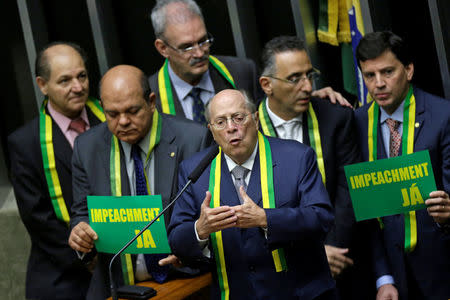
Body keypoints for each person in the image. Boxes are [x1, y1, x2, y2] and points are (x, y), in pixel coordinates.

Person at [168, 89, 337, 299]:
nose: (231, 128)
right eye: (220, 122)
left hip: (300, 293)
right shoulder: (195, 171)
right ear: (211, 131)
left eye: (239, 118)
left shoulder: (297, 157)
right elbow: (177, 238)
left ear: (255, 119)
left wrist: (266, 219)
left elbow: (321, 218)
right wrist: (200, 229)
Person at [68, 65, 212, 300]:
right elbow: (81, 213)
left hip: (185, 279)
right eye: (112, 114)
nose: (123, 121)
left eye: (132, 111)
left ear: (152, 102)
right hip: (117, 286)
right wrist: (79, 232)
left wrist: (188, 249)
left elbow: (209, 213)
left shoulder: (193, 140)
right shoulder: (87, 147)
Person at [258, 35, 372, 299]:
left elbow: (349, 192)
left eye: (310, 75)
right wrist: (311, 256)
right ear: (267, 85)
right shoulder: (248, 127)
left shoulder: (336, 117)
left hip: (340, 262)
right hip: (277, 270)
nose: (307, 86)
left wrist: (329, 248)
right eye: (295, 78)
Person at [354, 31, 450, 300]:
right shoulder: (358, 122)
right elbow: (368, 214)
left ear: (408, 70)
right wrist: (383, 277)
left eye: (387, 72)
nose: (379, 84)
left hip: (441, 270)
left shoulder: (442, 117)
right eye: (369, 75)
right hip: (393, 278)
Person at [7, 42, 104, 300]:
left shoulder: (113, 117)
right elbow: (39, 219)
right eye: (65, 80)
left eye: (82, 76)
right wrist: (88, 258)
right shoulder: (25, 143)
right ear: (42, 85)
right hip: (64, 273)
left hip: (126, 259)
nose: (78, 87)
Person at [149, 0, 348, 124]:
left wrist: (310, 98)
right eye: (187, 47)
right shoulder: (151, 96)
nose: (200, 52)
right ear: (162, 48)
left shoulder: (241, 71)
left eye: (203, 40)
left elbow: (272, 113)